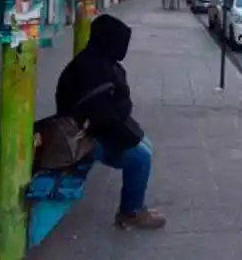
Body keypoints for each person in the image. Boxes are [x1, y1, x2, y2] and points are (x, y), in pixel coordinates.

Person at [55, 14, 166, 230]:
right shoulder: (94, 69)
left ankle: (134, 205)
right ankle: (130, 213)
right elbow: (102, 116)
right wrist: (128, 138)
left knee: (146, 147)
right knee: (141, 157)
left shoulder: (98, 60)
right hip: (83, 137)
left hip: (92, 128)